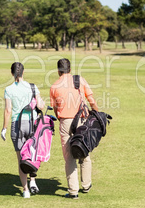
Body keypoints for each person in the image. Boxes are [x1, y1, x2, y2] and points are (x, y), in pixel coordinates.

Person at [50, 58, 98, 199]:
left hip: (65, 122)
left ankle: (73, 191)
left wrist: (61, 118)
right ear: (70, 69)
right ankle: (86, 184)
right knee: (84, 150)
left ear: (58, 70)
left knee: (69, 156)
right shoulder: (80, 80)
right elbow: (91, 100)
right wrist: (97, 114)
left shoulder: (54, 86)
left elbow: (55, 107)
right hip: (82, 120)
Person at [1, 62, 45, 198]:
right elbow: (41, 106)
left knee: (21, 158)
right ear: (23, 72)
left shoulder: (9, 89)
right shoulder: (32, 87)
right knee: (32, 154)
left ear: (12, 73)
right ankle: (33, 180)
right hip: (32, 124)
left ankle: (25, 190)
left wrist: (4, 128)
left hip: (17, 125)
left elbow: (8, 110)